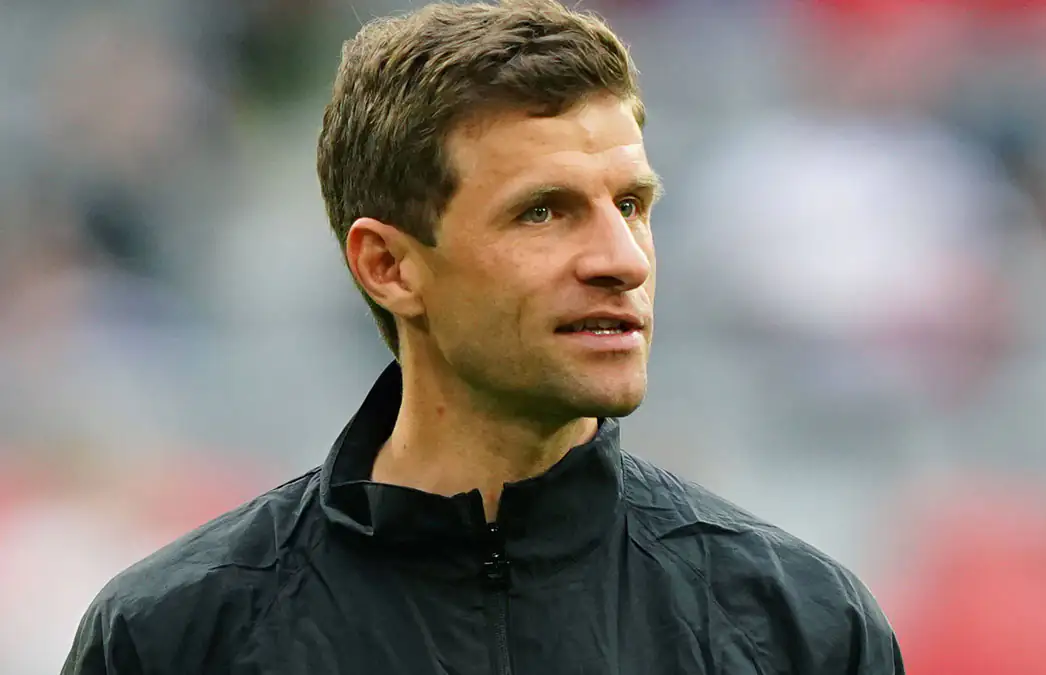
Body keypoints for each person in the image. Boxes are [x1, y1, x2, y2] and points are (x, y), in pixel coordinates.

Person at [62, 1, 904, 673]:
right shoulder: (176, 635)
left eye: (631, 205)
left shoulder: (800, 626)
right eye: (543, 211)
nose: (621, 259)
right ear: (389, 265)